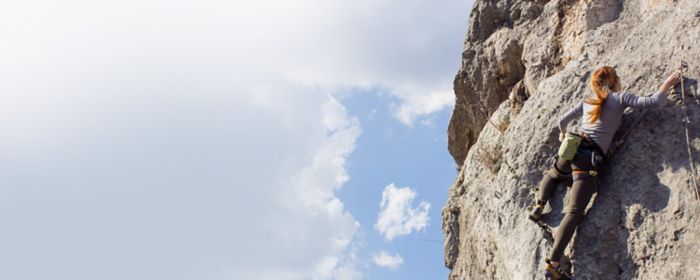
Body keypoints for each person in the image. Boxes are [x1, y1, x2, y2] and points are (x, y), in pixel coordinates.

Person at [528, 66, 682, 280]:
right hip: (587, 159)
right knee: (574, 212)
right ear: (614, 81)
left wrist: (563, 136)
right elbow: (652, 103)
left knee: (554, 174)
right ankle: (553, 264)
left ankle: (540, 204)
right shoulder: (619, 98)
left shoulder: (588, 102)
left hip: (572, 147)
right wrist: (668, 83)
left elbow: (561, 121)